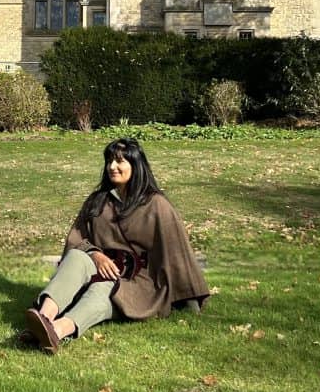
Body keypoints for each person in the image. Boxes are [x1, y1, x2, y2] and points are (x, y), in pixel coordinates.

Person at [23, 137, 209, 353]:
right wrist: (95, 255)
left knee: (103, 289)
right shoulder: (97, 200)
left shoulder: (157, 205)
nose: (113, 166)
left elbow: (177, 254)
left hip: (137, 282)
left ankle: (56, 331)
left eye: (120, 161)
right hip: (98, 268)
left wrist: (190, 300)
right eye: (109, 160)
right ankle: (43, 317)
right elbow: (77, 238)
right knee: (77, 257)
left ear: (135, 165)